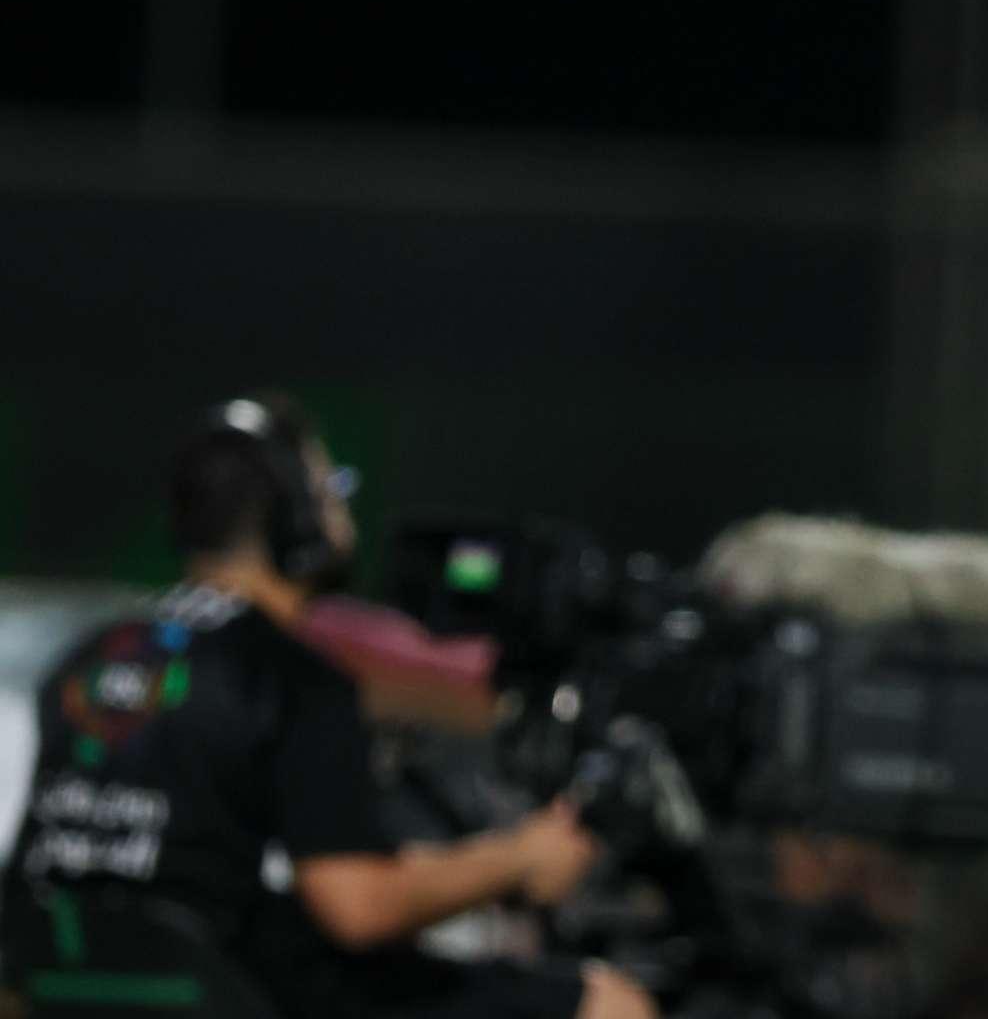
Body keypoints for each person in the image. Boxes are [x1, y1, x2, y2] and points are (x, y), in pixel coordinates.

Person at [0, 395, 656, 1019]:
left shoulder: (94, 656)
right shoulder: (290, 676)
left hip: (81, 987)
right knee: (604, 1002)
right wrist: (523, 855)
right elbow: (358, 907)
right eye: (331, 491)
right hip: (224, 992)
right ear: (297, 518)